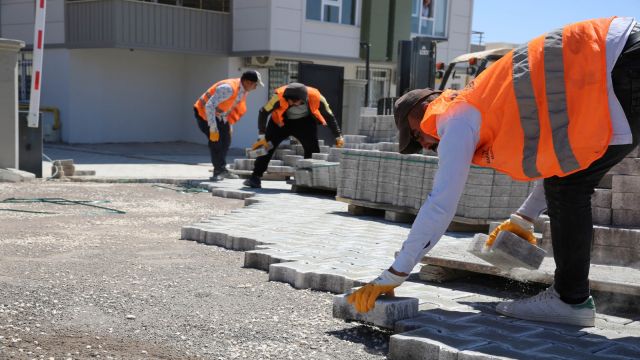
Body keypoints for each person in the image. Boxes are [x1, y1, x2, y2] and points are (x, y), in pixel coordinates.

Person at [347, 17, 639, 327]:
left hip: (619, 61)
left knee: (569, 189)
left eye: (418, 138)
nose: (426, 146)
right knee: (568, 182)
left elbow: (441, 203)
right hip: (622, 55)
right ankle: (571, 298)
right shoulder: (491, 105)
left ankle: (570, 300)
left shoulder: (455, 120)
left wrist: (396, 272)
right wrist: (523, 218)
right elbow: (562, 160)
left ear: (420, 116)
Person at [243, 82, 345, 188]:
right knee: (266, 147)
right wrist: (262, 134)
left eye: (294, 102)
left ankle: (308, 181)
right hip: (280, 122)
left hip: (304, 122)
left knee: (312, 148)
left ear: (303, 99)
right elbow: (263, 111)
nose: (290, 104)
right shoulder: (278, 96)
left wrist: (338, 136)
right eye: (288, 101)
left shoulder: (317, 97)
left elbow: (329, 116)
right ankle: (255, 177)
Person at [194, 70, 263, 181]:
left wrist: (228, 123)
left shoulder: (243, 90)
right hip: (204, 112)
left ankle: (222, 169)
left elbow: (230, 106)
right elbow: (209, 106)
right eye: (255, 85)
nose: (255, 88)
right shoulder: (228, 88)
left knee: (226, 140)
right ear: (247, 82)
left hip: (220, 115)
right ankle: (218, 171)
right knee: (216, 141)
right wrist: (213, 127)